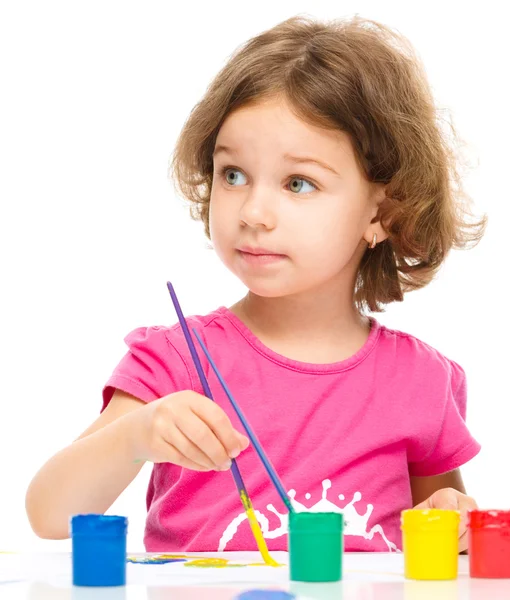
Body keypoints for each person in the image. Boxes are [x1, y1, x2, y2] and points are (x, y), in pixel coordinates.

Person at [26, 15, 486, 553]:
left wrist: (453, 518)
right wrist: (136, 435)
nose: (254, 212)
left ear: (384, 212)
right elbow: (50, 513)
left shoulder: (420, 382)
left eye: (298, 183)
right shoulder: (177, 359)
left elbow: (449, 534)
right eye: (234, 174)